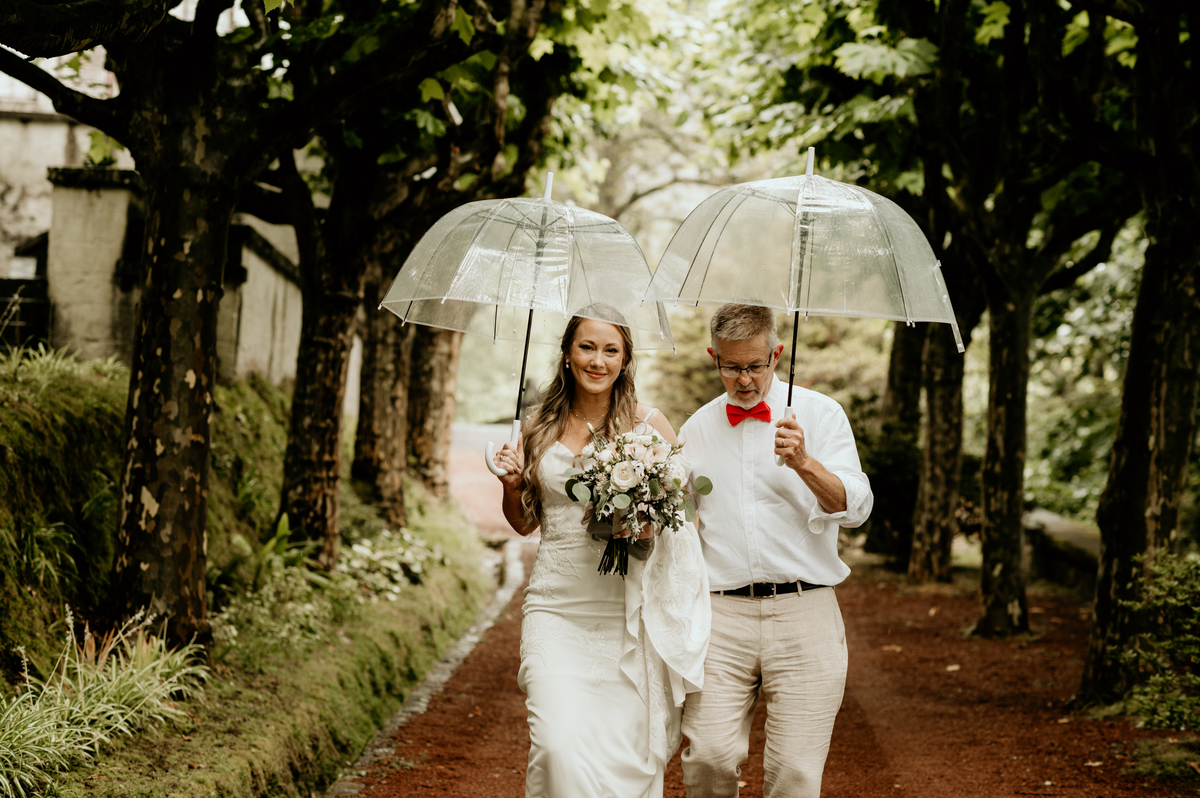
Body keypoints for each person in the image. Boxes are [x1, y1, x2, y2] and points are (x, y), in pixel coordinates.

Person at [493, 309, 711, 798]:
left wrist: (645, 523)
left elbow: (687, 515)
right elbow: (525, 523)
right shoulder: (537, 425)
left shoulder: (649, 425)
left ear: (625, 359)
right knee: (556, 746)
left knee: (620, 755)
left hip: (626, 613)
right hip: (555, 608)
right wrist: (511, 486)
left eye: (611, 350)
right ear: (567, 354)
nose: (598, 360)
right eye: (587, 347)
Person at [678, 303, 873, 798]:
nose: (744, 380)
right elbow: (680, 522)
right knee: (707, 756)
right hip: (721, 616)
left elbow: (856, 507)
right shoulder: (695, 429)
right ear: (713, 357)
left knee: (796, 774)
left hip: (805, 610)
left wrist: (804, 462)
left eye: (755, 365)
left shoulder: (822, 414)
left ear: (777, 354)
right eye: (731, 366)